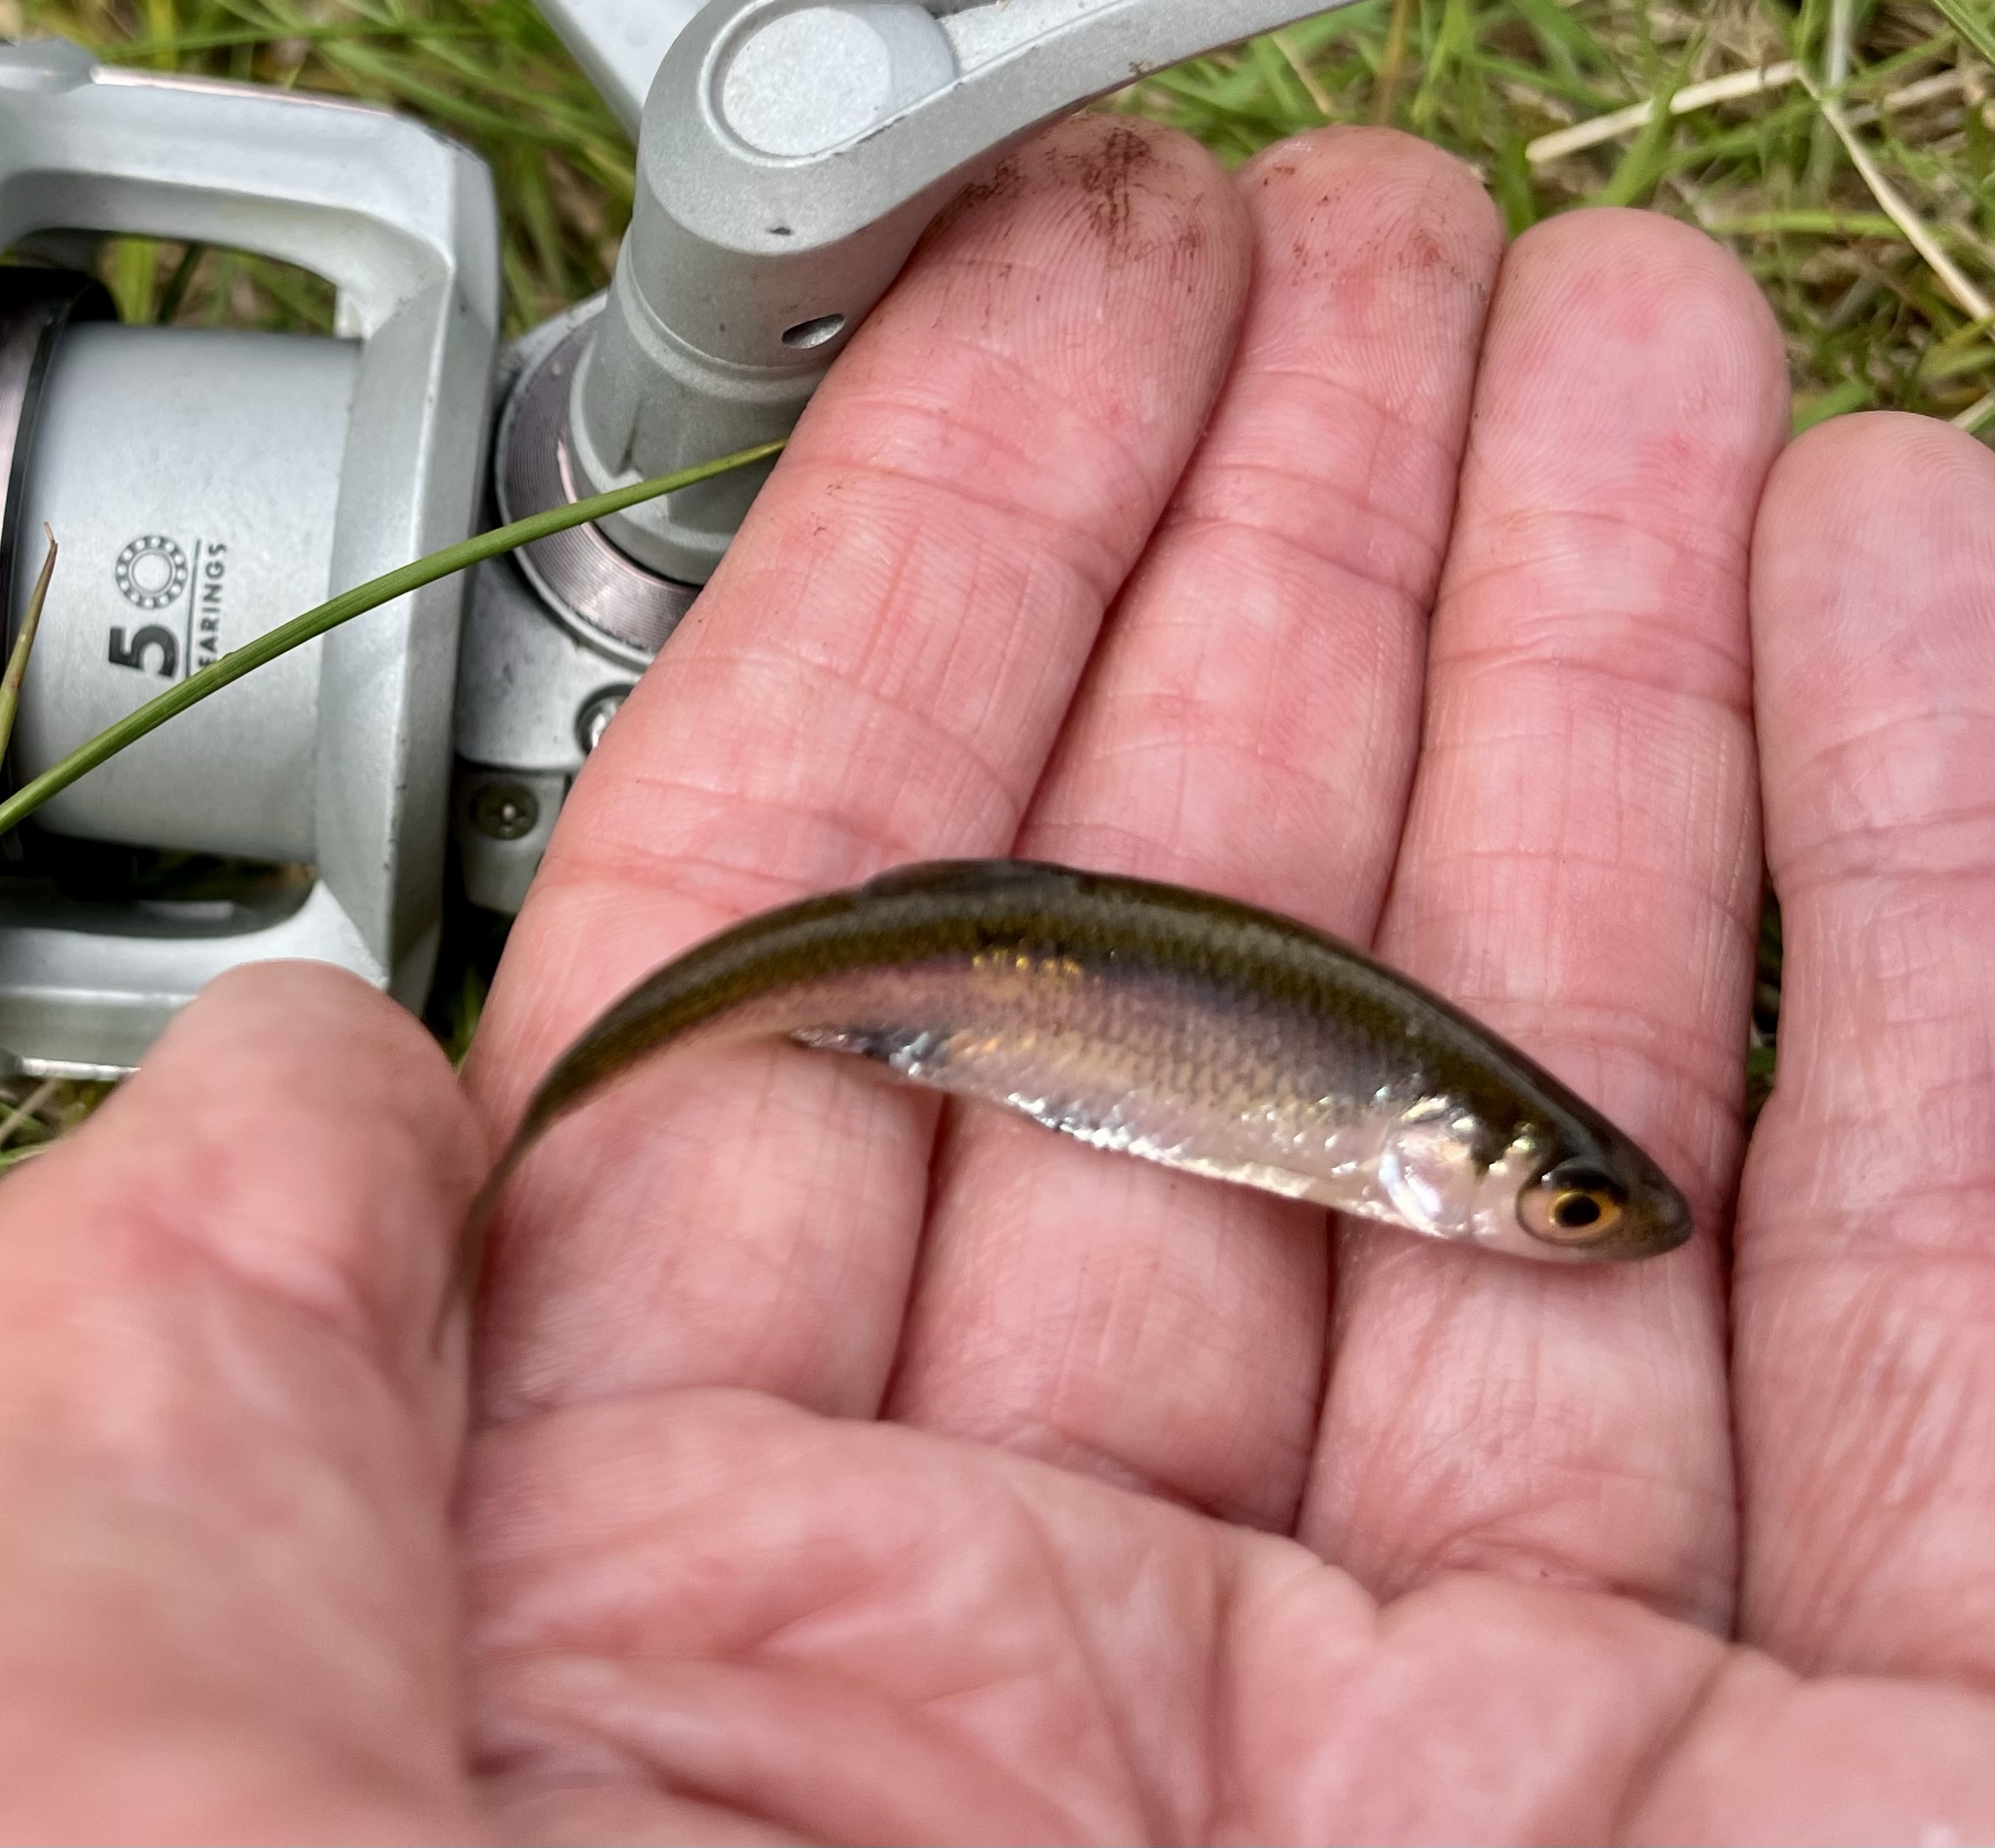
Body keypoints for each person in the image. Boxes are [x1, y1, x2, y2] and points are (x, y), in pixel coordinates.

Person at [4, 117, 1992, 1841]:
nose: (1576, 1224)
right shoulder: (1396, 1097)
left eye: (1568, 1206)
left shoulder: (1404, 1102)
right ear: (1455, 1147)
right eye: (1564, 1199)